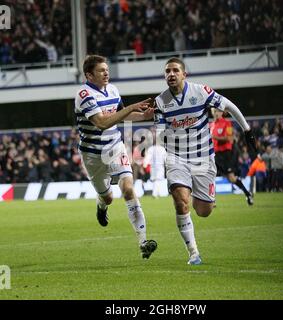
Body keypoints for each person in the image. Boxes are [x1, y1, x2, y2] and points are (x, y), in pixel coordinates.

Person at [154, 57, 257, 265]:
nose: (171, 74)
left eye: (175, 70)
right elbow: (159, 133)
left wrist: (246, 130)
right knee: (181, 203)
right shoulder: (160, 101)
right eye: (167, 71)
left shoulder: (201, 92)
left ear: (184, 74)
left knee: (203, 211)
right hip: (177, 158)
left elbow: (228, 105)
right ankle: (193, 253)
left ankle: (203, 197)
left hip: (203, 158)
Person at [74, 55, 157, 259]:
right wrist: (130, 108)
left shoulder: (112, 89)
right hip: (92, 155)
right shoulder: (84, 95)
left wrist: (143, 116)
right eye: (101, 70)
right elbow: (102, 123)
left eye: (107, 69)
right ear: (89, 75)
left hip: (115, 148)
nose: (106, 73)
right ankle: (101, 204)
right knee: (108, 197)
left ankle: (143, 242)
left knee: (128, 189)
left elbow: (122, 115)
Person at [210, 108, 254, 205]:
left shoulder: (227, 123)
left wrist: (214, 137)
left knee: (231, 178)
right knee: (210, 175)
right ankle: (212, 200)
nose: (217, 113)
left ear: (222, 112)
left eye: (218, 111)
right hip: (215, 155)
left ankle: (248, 194)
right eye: (215, 111)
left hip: (226, 154)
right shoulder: (211, 125)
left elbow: (229, 138)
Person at [143, 133, 167, 198]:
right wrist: (167, 165)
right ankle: (155, 193)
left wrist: (145, 164)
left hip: (153, 166)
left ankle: (157, 193)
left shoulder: (151, 148)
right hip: (160, 166)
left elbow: (148, 157)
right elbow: (165, 158)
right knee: (158, 179)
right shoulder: (162, 149)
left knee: (155, 180)